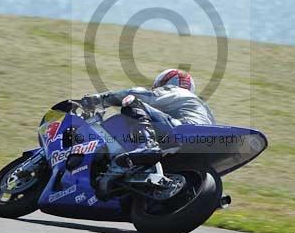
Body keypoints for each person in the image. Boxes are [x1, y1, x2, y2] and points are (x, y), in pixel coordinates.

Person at [81, 69, 215, 168]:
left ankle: (147, 146)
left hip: (183, 129)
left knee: (132, 101)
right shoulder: (202, 106)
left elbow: (138, 94)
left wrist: (98, 100)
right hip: (204, 145)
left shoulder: (175, 91)